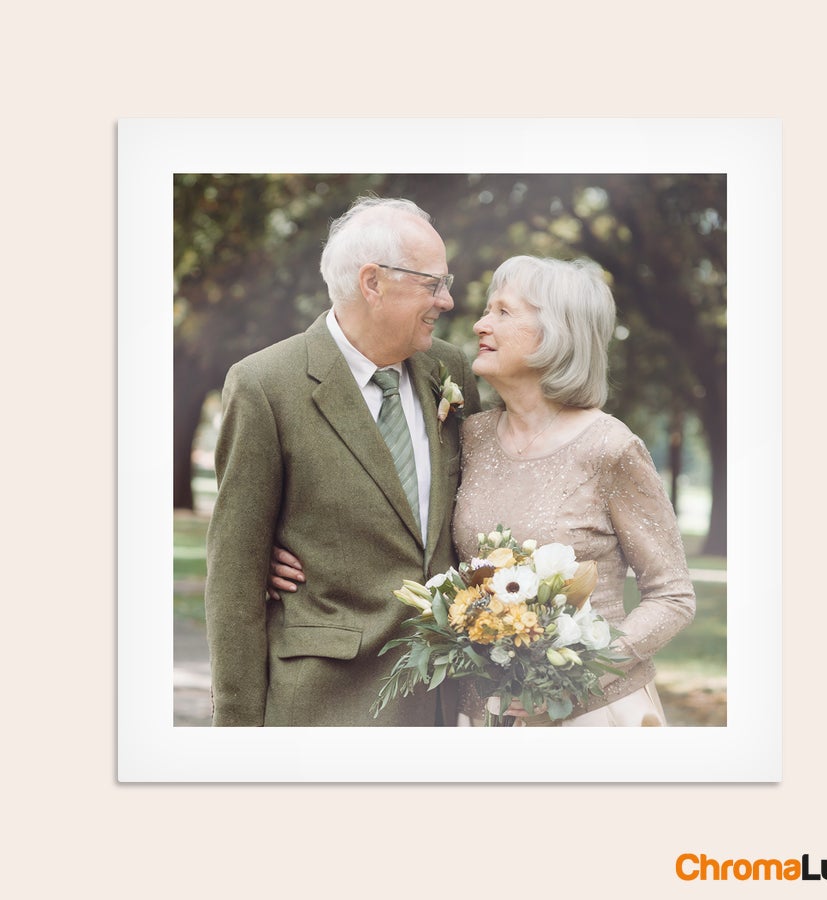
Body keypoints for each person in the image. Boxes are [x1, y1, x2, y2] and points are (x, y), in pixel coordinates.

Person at [270, 254, 696, 726]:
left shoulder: (610, 447)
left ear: (557, 332)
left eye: (503, 312)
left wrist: (576, 676)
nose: (478, 324)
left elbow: (672, 596)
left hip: (588, 719)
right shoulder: (467, 435)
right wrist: (284, 547)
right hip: (477, 717)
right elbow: (396, 515)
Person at [204, 196, 480, 726]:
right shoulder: (265, 384)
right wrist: (236, 736)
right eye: (433, 283)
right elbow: (234, 573)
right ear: (372, 282)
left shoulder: (449, 369)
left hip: (442, 700)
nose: (446, 300)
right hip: (324, 703)